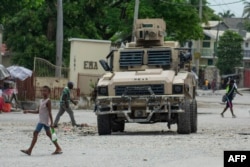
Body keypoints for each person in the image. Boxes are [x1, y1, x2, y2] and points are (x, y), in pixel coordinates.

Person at [21, 86, 62, 155]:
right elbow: (38, 111)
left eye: (45, 91)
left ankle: (29, 150)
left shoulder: (48, 101)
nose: (43, 92)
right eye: (43, 91)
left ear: (49, 92)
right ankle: (58, 148)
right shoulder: (41, 101)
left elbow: (50, 112)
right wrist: (28, 111)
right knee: (49, 134)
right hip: (42, 120)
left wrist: (52, 122)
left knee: (35, 133)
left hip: (44, 121)